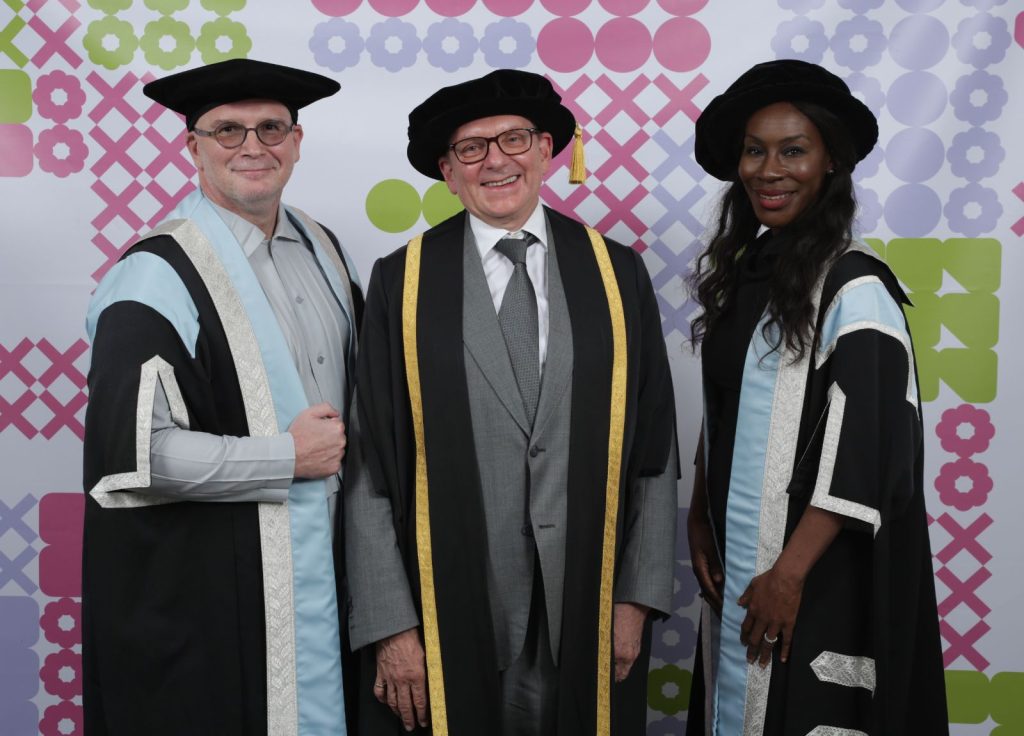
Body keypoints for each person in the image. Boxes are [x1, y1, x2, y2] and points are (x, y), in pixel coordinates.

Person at [343, 69, 679, 735]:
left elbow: (654, 453)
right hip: (452, 605)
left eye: (515, 139)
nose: (496, 160)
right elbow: (370, 469)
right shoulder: (401, 284)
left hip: (588, 600)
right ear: (447, 170)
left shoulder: (616, 275)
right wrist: (390, 625)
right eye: (471, 149)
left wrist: (637, 599)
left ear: (548, 148)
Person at [82, 58, 362, 735]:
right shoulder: (153, 276)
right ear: (194, 147)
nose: (252, 147)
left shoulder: (325, 250)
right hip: (211, 596)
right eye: (227, 130)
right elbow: (132, 456)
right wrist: (286, 458)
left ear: (296, 142)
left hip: (330, 581)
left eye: (271, 128)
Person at [685, 59, 948, 735]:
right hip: (742, 553)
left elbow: (864, 446)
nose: (768, 170)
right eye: (754, 150)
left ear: (830, 162)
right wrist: (697, 514)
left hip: (819, 570)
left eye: (793, 151)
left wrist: (789, 574)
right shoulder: (749, 279)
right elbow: (725, 404)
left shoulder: (856, 290)